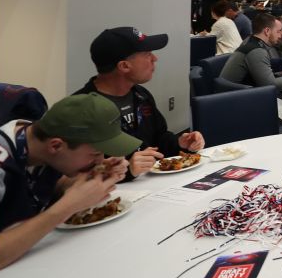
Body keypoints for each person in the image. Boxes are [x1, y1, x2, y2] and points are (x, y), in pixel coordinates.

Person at [0, 93, 135, 269]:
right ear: (55, 146)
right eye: (95, 154)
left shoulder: (39, 143)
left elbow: (50, 184)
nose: (101, 160)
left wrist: (94, 176)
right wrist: (68, 207)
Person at [74, 26, 205, 179]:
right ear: (124, 66)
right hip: (111, 197)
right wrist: (127, 169)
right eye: (147, 54)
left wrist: (180, 144)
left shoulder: (141, 95)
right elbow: (71, 176)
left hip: (152, 187)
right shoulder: (80, 111)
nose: (155, 58)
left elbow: (159, 138)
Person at [220, 13, 282, 94]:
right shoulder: (256, 50)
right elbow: (270, 85)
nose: (279, 35)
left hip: (239, 94)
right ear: (267, 31)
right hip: (236, 100)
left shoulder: (253, 43)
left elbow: (266, 64)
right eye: (278, 31)